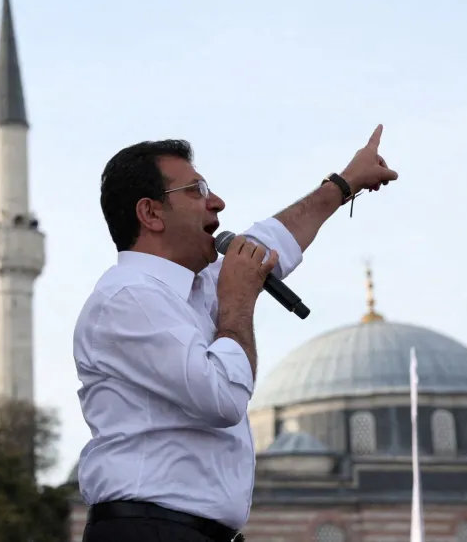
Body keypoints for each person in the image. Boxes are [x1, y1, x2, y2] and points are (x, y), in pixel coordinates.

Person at [73, 125, 398, 542]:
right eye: (196, 190)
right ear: (151, 213)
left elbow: (271, 241)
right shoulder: (129, 298)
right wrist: (238, 300)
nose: (217, 202)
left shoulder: (194, 286)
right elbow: (223, 397)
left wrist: (344, 183)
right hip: (149, 531)